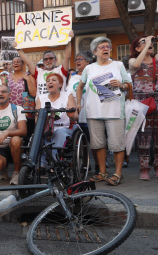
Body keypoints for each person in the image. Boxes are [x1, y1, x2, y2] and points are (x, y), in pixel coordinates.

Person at [76, 37, 132, 186]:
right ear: (95, 52)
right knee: (98, 144)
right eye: (102, 47)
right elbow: (80, 87)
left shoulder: (118, 65)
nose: (106, 49)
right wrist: (78, 103)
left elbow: (128, 85)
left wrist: (121, 84)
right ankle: (102, 172)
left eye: (108, 46)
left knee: (117, 144)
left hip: (114, 111)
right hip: (94, 112)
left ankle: (118, 173)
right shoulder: (89, 68)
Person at [0, 85, 27, 185]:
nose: (0, 94)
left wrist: (7, 133)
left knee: (15, 140)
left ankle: (16, 172)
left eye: (3, 92)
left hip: (14, 146)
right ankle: (4, 168)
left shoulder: (17, 109)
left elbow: (23, 131)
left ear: (9, 94)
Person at [129, 35, 158, 180]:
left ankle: (157, 168)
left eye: (151, 42)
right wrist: (146, 45)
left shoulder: (156, 61)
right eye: (143, 42)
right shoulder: (133, 60)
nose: (149, 44)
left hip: (156, 102)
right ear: (137, 48)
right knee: (144, 140)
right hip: (141, 105)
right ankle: (144, 169)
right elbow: (135, 66)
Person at [36, 73, 78, 166]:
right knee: (38, 135)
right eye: (48, 81)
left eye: (54, 80)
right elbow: (37, 121)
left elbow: (76, 116)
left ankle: (55, 163)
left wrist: (71, 114)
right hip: (46, 128)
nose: (50, 82)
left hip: (65, 128)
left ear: (60, 84)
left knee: (58, 133)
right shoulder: (41, 98)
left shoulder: (67, 95)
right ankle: (41, 164)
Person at [15, 30, 74, 95]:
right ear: (43, 61)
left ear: (56, 60)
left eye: (51, 58)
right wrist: (18, 50)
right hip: (42, 104)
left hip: (59, 104)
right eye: (46, 59)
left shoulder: (61, 70)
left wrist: (69, 40)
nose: (48, 61)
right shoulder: (39, 72)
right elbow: (28, 62)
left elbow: (67, 57)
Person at [2, 56, 37, 142]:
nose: (16, 63)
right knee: (13, 137)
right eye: (14, 62)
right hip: (11, 112)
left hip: (25, 113)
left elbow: (34, 93)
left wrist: (28, 80)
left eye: (18, 62)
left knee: (26, 137)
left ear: (23, 64)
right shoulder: (7, 78)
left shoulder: (29, 76)